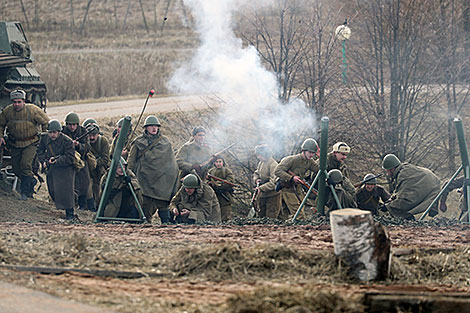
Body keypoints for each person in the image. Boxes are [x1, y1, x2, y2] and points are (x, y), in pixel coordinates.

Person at [127, 115, 178, 223]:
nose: (154, 128)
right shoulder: (138, 142)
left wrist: (171, 179)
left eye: (156, 126)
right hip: (144, 181)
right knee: (145, 210)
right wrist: (130, 176)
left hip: (162, 182)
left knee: (164, 210)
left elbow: (172, 163)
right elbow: (131, 162)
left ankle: (167, 229)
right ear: (146, 128)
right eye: (151, 126)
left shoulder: (165, 142)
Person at [0, 89, 49, 199]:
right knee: (16, 168)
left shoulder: (33, 110)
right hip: (15, 144)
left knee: (25, 165)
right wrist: (1, 136)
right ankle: (31, 181)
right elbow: (1, 124)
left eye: (19, 102)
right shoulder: (7, 112)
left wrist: (45, 138)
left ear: (23, 101)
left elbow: (46, 122)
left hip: (31, 143)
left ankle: (26, 193)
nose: (16, 104)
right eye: (14, 102)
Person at [382, 153, 440, 220]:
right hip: (433, 182)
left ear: (391, 169)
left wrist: (388, 207)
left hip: (431, 185)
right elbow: (399, 189)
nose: (387, 173)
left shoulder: (403, 174)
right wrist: (391, 199)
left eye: (387, 171)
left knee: (400, 206)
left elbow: (403, 199)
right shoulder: (403, 169)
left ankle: (407, 219)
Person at [37, 120, 76, 220]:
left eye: (54, 132)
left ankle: (70, 214)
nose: (52, 135)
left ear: (59, 132)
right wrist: (44, 161)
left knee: (67, 193)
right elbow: (40, 151)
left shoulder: (67, 141)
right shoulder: (44, 139)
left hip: (65, 170)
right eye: (50, 132)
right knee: (52, 191)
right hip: (52, 169)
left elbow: (70, 158)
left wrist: (57, 160)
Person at [274, 138, 319, 219]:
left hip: (297, 188)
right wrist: (291, 178)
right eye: (310, 152)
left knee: (301, 209)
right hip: (287, 188)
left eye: (313, 153)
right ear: (304, 151)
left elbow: (320, 170)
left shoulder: (310, 162)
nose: (311, 155)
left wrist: (321, 158)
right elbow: (277, 171)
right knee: (298, 214)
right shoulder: (292, 159)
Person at [62, 112, 92, 211]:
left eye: (74, 124)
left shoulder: (83, 132)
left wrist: (78, 145)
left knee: (84, 184)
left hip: (81, 161)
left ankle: (82, 205)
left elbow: (87, 147)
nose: (72, 127)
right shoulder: (63, 132)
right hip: (67, 161)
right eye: (70, 124)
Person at [252, 144, 281, 219]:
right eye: (257, 155)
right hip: (263, 195)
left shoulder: (273, 164)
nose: (258, 157)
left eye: (260, 155)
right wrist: (256, 179)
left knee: (271, 217)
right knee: (261, 216)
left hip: (273, 196)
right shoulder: (261, 162)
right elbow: (256, 173)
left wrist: (261, 188)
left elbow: (273, 183)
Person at [86, 122, 110, 205]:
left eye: (94, 135)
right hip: (88, 169)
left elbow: (105, 159)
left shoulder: (103, 141)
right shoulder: (84, 143)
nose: (91, 137)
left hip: (100, 169)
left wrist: (95, 163)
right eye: (89, 135)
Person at [207, 157, 234, 221]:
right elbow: (205, 182)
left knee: (226, 217)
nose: (218, 164)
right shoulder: (210, 171)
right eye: (216, 162)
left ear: (223, 162)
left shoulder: (227, 171)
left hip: (224, 197)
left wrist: (216, 184)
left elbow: (230, 183)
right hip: (213, 196)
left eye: (220, 161)